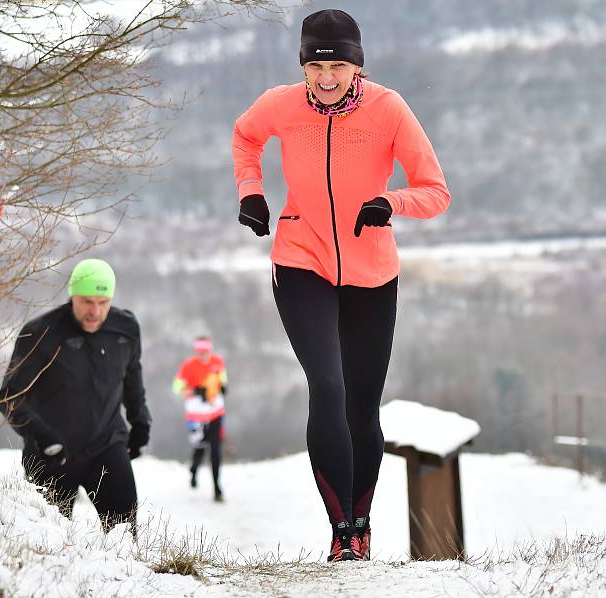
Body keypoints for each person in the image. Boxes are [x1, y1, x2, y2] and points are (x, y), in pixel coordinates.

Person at [232, 9, 450, 561]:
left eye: (338, 66)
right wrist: (251, 193)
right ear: (303, 66)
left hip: (372, 273)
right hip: (300, 259)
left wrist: (390, 203)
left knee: (361, 406)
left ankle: (362, 521)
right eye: (316, 65)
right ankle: (341, 531)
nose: (327, 77)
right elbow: (245, 137)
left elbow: (436, 191)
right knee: (326, 386)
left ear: (357, 68)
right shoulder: (281, 103)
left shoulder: (389, 108)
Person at [0, 258, 151, 532]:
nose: (95, 311)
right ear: (72, 296)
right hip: (52, 454)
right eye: (87, 302)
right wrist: (43, 438)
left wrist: (140, 422)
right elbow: (9, 398)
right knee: (46, 542)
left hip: (106, 446)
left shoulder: (125, 329)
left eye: (103, 302)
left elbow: (132, 375)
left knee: (125, 538)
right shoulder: (41, 332)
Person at [172, 336, 228, 502]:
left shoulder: (218, 362)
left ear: (210, 350)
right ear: (196, 351)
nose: (203, 354)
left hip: (216, 412)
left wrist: (224, 387)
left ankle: (217, 488)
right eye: (200, 351)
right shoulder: (188, 366)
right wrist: (196, 391)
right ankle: (194, 470)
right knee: (200, 448)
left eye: (206, 351)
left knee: (216, 449)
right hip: (196, 415)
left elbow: (222, 380)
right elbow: (177, 388)